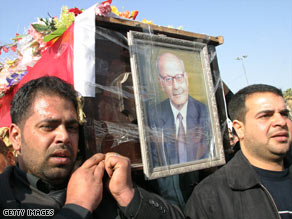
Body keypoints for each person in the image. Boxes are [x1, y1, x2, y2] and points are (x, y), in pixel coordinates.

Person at [0, 76, 184, 219]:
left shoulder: (102, 182)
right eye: (48, 126)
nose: (64, 137)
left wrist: (128, 195)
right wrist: (77, 207)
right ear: (16, 137)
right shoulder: (7, 200)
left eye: (71, 127)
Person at [184, 84, 292, 219]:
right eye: (265, 115)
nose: (281, 121)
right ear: (239, 128)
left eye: (284, 114)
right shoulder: (210, 197)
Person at [147, 53, 211, 210]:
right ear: (160, 83)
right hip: (168, 204)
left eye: (179, 77)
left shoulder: (206, 113)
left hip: (204, 201)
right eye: (168, 79)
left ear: (187, 78)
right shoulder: (151, 117)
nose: (176, 86)